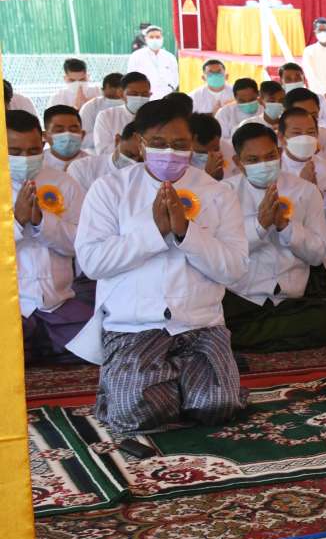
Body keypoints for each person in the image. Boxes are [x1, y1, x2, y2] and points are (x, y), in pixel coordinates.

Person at [69, 98, 248, 433]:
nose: (170, 152)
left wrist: (185, 233)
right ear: (140, 143)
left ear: (192, 144)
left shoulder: (217, 193)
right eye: (158, 143)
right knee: (138, 414)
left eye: (179, 144)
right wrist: (153, 232)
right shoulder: (110, 189)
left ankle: (183, 381)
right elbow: (92, 263)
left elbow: (235, 268)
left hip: (200, 323)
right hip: (134, 324)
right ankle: (147, 384)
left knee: (218, 406)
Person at [221, 123, 326, 353]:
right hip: (241, 297)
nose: (263, 164)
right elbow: (222, 255)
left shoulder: (305, 191)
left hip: (289, 299)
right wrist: (260, 226)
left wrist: (286, 227)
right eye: (253, 159)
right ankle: (264, 336)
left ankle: (243, 338)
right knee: (212, 314)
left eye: (270, 156)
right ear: (238, 162)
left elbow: (319, 254)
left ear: (279, 152)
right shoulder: (223, 193)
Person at [9, 110, 92, 363]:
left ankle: (40, 348)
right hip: (8, 307)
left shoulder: (63, 183)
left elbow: (81, 244)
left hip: (58, 303)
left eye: (33, 150)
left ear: (44, 142)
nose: (26, 159)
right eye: (15, 152)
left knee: (98, 345)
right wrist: (17, 222)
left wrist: (41, 223)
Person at [279, 107, 326, 235]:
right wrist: (304, 189)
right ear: (282, 137)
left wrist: (321, 196)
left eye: (310, 132)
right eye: (297, 133)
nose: (305, 138)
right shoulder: (272, 171)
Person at [89, 71, 152, 154]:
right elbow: (102, 151)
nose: (139, 98)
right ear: (121, 94)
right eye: (134, 94)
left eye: (144, 94)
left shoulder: (156, 116)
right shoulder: (106, 116)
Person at [69, 120, 141, 193]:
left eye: (141, 160)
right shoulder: (82, 168)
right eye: (129, 155)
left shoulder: (144, 178)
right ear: (117, 141)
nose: (134, 162)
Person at [283, 88, 326, 165]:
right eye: (301, 115)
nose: (309, 121)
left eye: (313, 115)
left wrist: (319, 152)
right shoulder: (277, 142)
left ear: (318, 112)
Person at [278, 62, 326, 131]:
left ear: (304, 79)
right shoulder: (277, 102)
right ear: (281, 81)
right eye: (288, 79)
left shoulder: (319, 99)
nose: (294, 81)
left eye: (298, 78)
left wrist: (310, 123)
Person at [126, 25, 178, 97]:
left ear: (162, 38)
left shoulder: (170, 57)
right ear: (146, 39)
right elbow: (131, 77)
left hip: (166, 97)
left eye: (157, 37)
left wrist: (169, 90)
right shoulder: (136, 56)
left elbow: (175, 79)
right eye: (151, 37)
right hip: (145, 97)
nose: (155, 40)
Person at [42, 105, 89, 173]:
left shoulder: (94, 165)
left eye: (73, 130)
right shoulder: (36, 165)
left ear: (82, 135)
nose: (67, 135)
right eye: (59, 131)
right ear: (45, 136)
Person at [80, 72, 125, 138]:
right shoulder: (90, 107)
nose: (116, 95)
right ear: (102, 91)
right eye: (111, 97)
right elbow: (85, 135)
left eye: (119, 96)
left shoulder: (133, 105)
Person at [187, 113, 226, 181]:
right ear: (193, 139)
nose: (211, 155)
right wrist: (207, 176)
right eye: (204, 152)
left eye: (216, 149)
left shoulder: (227, 148)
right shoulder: (178, 161)